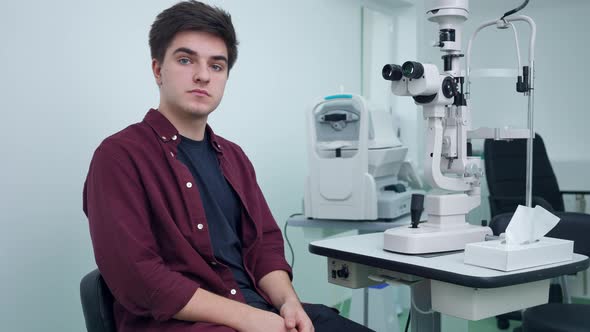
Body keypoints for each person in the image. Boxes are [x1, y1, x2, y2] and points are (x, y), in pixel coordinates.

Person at [83, 1, 375, 331]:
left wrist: (288, 304)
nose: (203, 75)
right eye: (185, 59)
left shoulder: (234, 157)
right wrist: (250, 319)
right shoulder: (119, 155)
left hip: (262, 313)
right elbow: (137, 275)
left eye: (217, 65)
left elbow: (264, 245)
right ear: (157, 69)